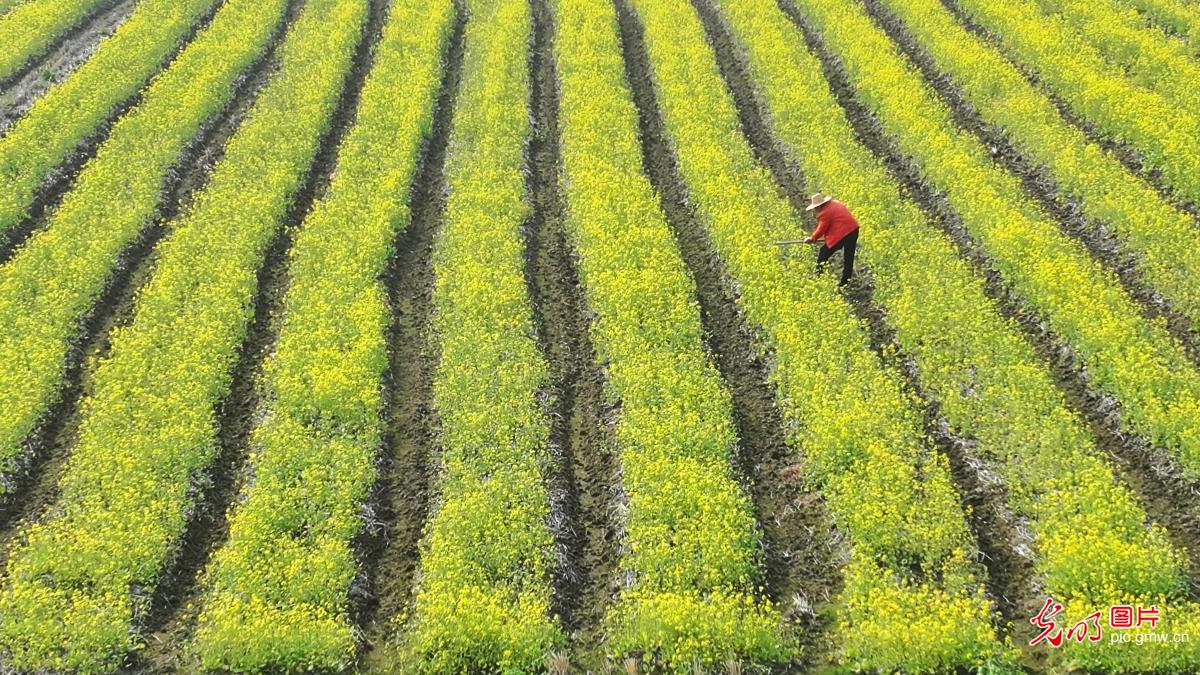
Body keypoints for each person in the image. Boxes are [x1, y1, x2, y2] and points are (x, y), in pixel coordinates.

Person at [802, 192, 860, 286]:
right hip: (853, 230)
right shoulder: (835, 203)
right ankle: (845, 281)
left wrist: (813, 238)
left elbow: (822, 228)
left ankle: (818, 275)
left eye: (815, 208)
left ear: (819, 206)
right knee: (849, 256)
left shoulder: (825, 212)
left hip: (843, 234)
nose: (815, 210)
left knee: (824, 252)